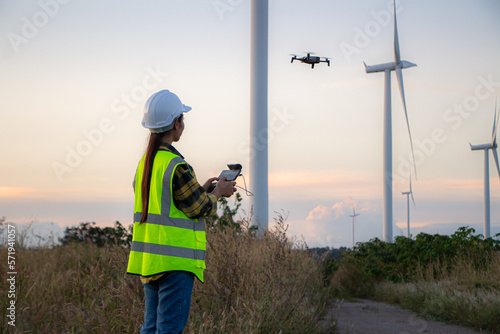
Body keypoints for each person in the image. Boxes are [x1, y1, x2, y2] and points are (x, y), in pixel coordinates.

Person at [127, 89, 236, 334]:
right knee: (168, 330)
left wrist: (203, 189)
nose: (183, 124)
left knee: (151, 328)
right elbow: (199, 207)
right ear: (176, 123)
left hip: (150, 261)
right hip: (175, 264)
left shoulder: (145, 163)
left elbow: (169, 202)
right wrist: (218, 193)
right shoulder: (177, 165)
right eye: (182, 119)